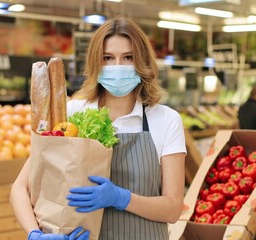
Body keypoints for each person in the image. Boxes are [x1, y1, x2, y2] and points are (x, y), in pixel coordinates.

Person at [10, 17, 187, 240]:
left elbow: (172, 208)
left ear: (142, 62)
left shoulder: (165, 120)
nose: (118, 66)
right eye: (108, 58)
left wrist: (120, 198)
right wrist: (34, 234)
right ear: (96, 63)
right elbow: (20, 189)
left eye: (128, 58)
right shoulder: (72, 115)